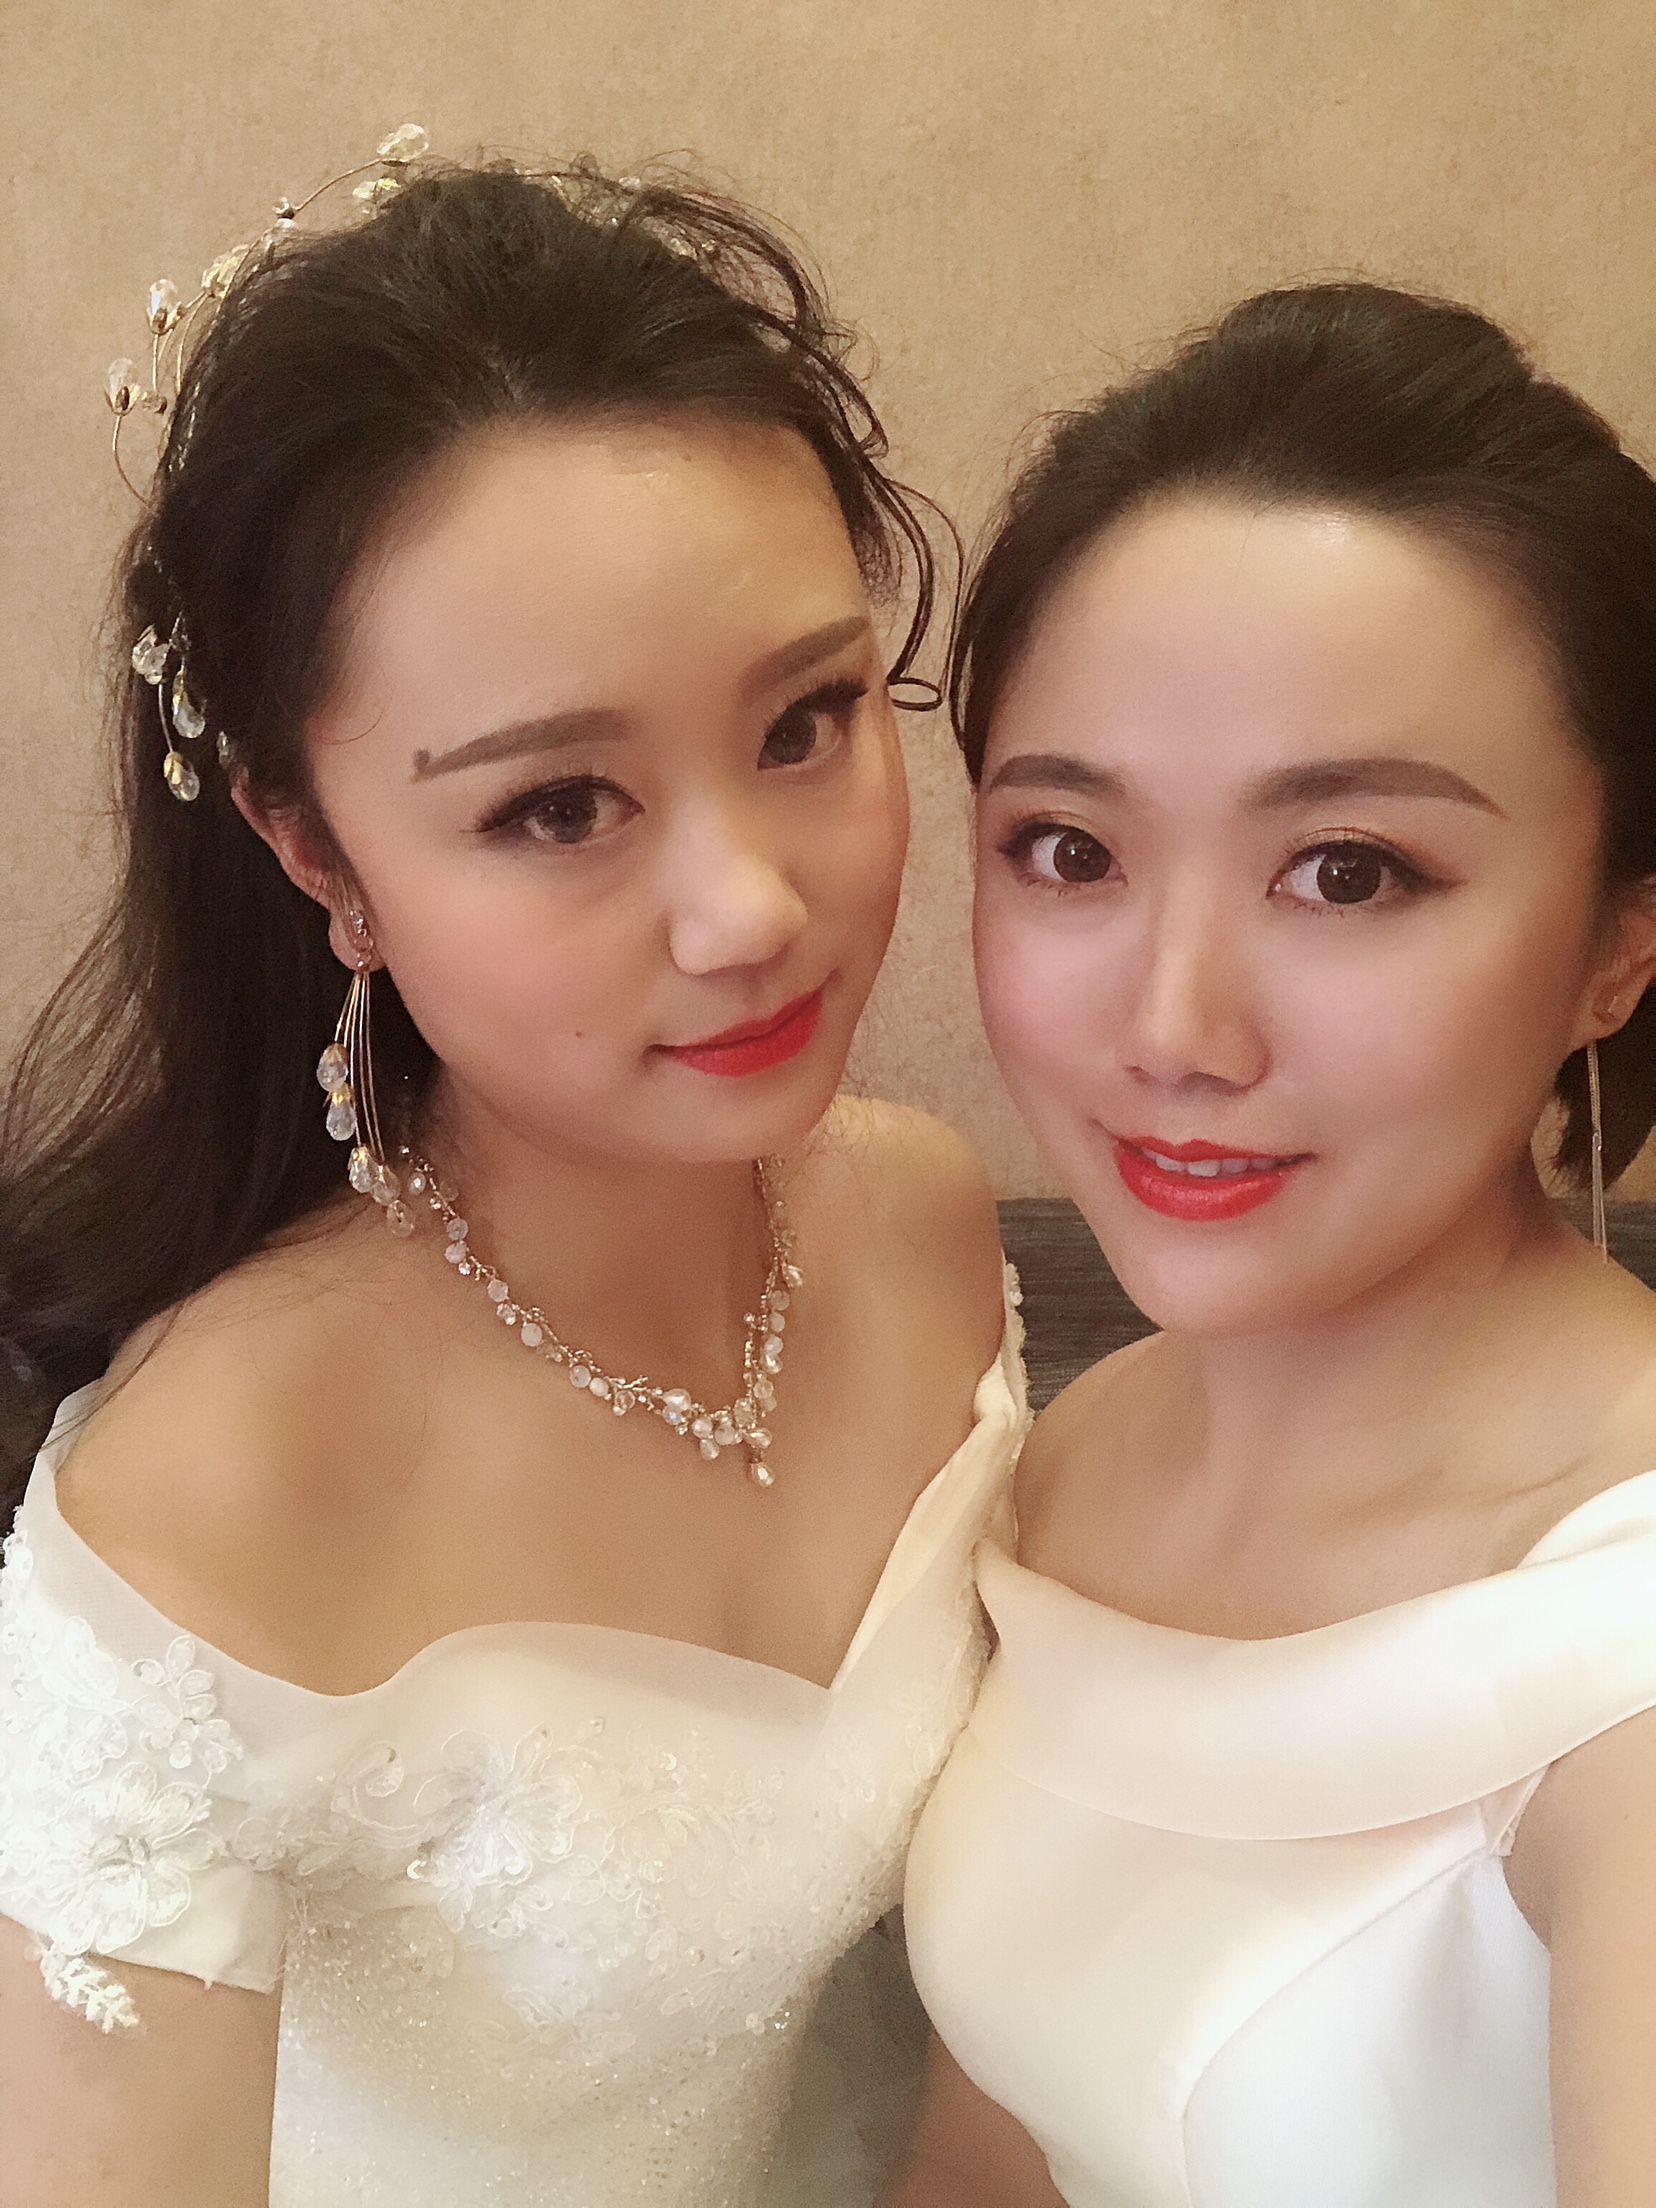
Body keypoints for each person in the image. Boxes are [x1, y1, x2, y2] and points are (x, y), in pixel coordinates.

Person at [0, 140, 1019, 2208]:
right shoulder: (216, 1497)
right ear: (316, 853)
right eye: (559, 806)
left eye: (807, 722)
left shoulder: (917, 1221)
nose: (751, 910)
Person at [889, 283, 1656, 2208]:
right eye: (1071, 849)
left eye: (1349, 872)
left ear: (1619, 942)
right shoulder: (1071, 1458)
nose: (1174, 1028)